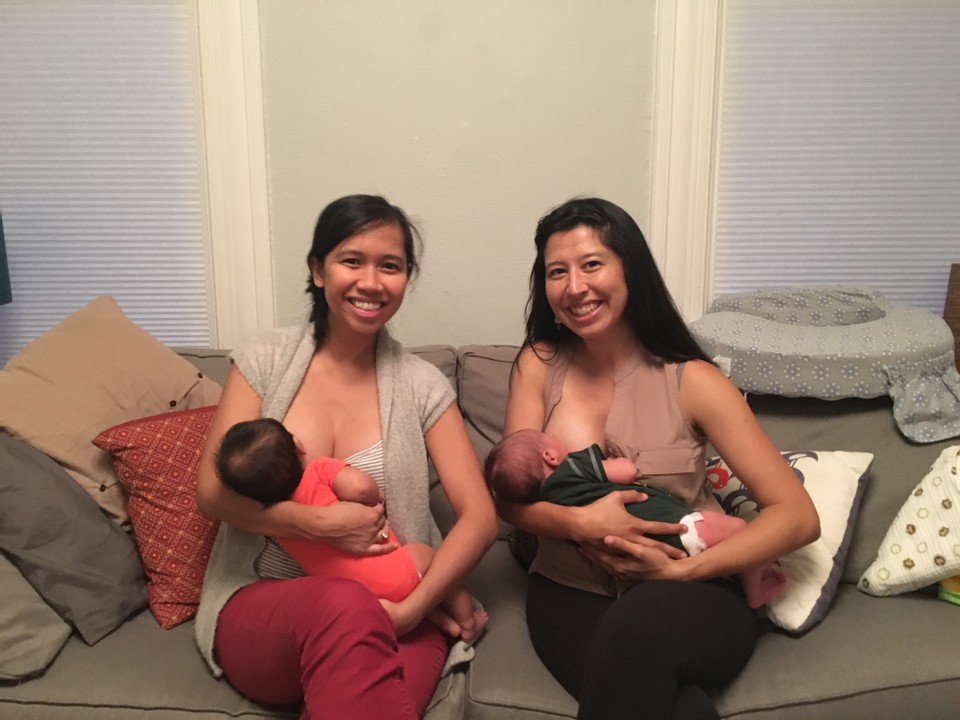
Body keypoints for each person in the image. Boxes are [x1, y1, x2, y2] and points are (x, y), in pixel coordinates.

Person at [499, 197, 820, 720]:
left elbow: (797, 516)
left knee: (637, 630)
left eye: (592, 264)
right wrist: (579, 521)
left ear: (632, 269)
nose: (575, 286)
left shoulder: (693, 380)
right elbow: (511, 500)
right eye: (557, 272)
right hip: (569, 590)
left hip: (694, 590)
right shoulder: (538, 365)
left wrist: (680, 576)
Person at [194, 194, 498, 720]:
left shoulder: (423, 387)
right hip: (266, 607)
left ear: (407, 279)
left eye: (391, 266)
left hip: (396, 608)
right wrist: (314, 523)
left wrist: (410, 612)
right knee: (344, 604)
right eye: (352, 260)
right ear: (318, 270)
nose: (372, 282)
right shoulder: (263, 360)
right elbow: (211, 493)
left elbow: (481, 517)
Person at [214, 416, 488, 641]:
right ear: (297, 444)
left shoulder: (275, 526)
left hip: (355, 599)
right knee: (430, 557)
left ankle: (444, 622)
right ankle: (466, 622)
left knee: (410, 586)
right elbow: (359, 486)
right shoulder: (317, 470)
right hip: (394, 572)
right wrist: (373, 496)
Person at [485, 428, 787, 608]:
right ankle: (755, 584)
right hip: (680, 529)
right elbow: (626, 472)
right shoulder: (573, 467)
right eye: (550, 438)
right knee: (739, 529)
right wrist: (612, 459)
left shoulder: (548, 500)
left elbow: (510, 506)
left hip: (630, 564)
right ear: (550, 457)